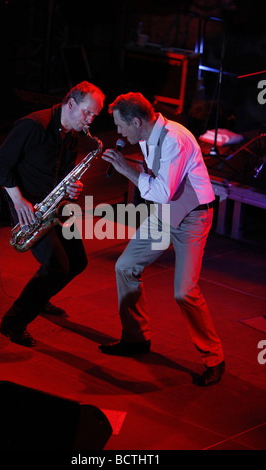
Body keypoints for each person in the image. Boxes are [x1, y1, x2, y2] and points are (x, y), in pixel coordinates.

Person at [100, 92, 225, 387]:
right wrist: (135, 170)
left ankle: (213, 357)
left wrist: (126, 169)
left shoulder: (174, 139)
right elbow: (158, 185)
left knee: (185, 292)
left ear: (137, 121)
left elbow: (162, 191)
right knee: (125, 267)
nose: (118, 133)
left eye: (120, 126)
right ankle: (136, 339)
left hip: (193, 216)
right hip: (164, 214)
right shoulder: (144, 135)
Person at [0, 81, 105, 347]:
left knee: (77, 262)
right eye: (87, 113)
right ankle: (13, 322)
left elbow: (64, 172)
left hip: (53, 205)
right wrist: (19, 200)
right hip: (27, 207)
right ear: (71, 103)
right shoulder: (33, 125)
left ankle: (40, 299)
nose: (90, 120)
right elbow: (0, 164)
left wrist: (72, 186)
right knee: (56, 266)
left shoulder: (72, 133)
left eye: (94, 116)